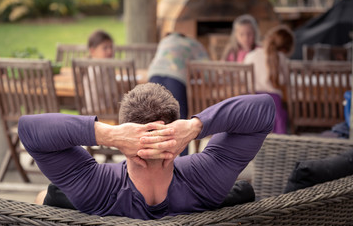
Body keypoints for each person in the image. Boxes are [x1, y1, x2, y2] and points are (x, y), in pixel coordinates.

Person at [18, 83, 275, 220]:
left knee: (48, 196)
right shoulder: (205, 180)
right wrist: (194, 127)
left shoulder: (95, 188)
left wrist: (110, 135)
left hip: (92, 200)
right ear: (175, 127)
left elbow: (29, 130)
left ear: (126, 134)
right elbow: (263, 109)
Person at [148, 33, 209, 156]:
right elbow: (207, 68)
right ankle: (182, 157)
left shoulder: (165, 40)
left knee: (155, 117)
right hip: (175, 76)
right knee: (179, 117)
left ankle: (154, 155)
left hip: (154, 74)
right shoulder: (194, 44)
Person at [244, 25, 294, 134]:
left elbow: (245, 81)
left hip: (252, 103)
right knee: (285, 114)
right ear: (285, 48)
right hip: (273, 106)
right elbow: (285, 81)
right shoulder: (281, 58)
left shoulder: (250, 55)